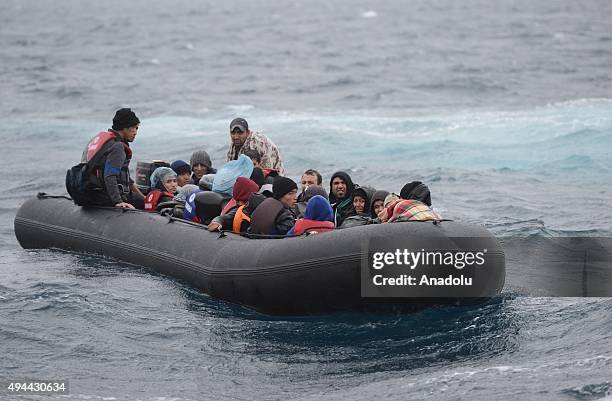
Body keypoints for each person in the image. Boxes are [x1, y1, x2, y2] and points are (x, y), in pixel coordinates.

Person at [68, 108, 145, 209]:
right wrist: (118, 201)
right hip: (104, 196)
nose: (135, 132)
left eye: (137, 128)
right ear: (124, 127)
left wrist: (143, 196)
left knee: (143, 200)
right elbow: (110, 176)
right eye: (134, 128)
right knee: (150, 205)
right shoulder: (117, 147)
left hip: (92, 193)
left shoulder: (104, 141)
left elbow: (125, 179)